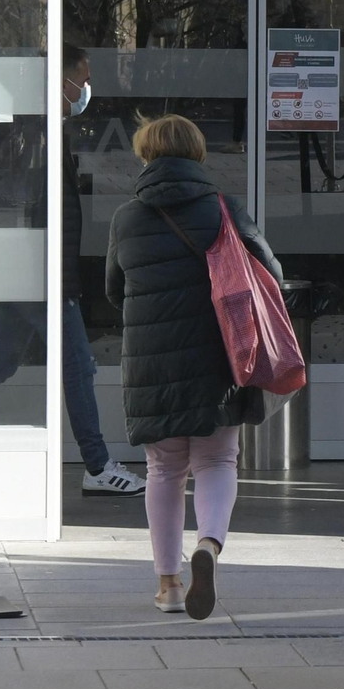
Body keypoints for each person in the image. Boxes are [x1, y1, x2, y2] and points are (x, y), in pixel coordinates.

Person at [0, 43, 146, 498]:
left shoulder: (37, 130)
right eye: (85, 77)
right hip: (37, 273)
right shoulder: (34, 136)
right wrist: (32, 274)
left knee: (0, 362)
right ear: (62, 82)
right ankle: (97, 464)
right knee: (77, 364)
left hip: (28, 271)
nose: (88, 88)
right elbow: (12, 209)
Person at [105, 114, 283, 618]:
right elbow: (272, 272)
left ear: (146, 156)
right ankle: (208, 545)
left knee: (163, 469)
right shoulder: (226, 210)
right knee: (216, 461)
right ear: (198, 155)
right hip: (218, 357)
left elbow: (113, 290)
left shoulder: (127, 218)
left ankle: (168, 584)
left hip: (152, 361)